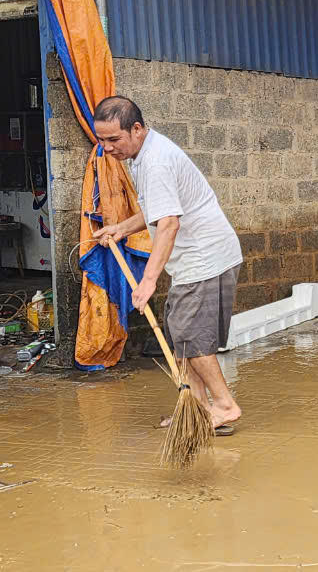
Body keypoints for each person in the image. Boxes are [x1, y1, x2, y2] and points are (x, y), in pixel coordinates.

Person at [90, 96, 243, 434]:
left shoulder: (155, 161)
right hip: (195, 259)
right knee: (179, 334)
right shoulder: (142, 155)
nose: (108, 148)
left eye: (114, 139)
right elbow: (158, 209)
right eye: (102, 140)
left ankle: (225, 405)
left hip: (204, 258)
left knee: (189, 336)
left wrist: (148, 280)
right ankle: (198, 409)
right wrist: (122, 228)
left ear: (137, 129)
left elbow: (169, 223)